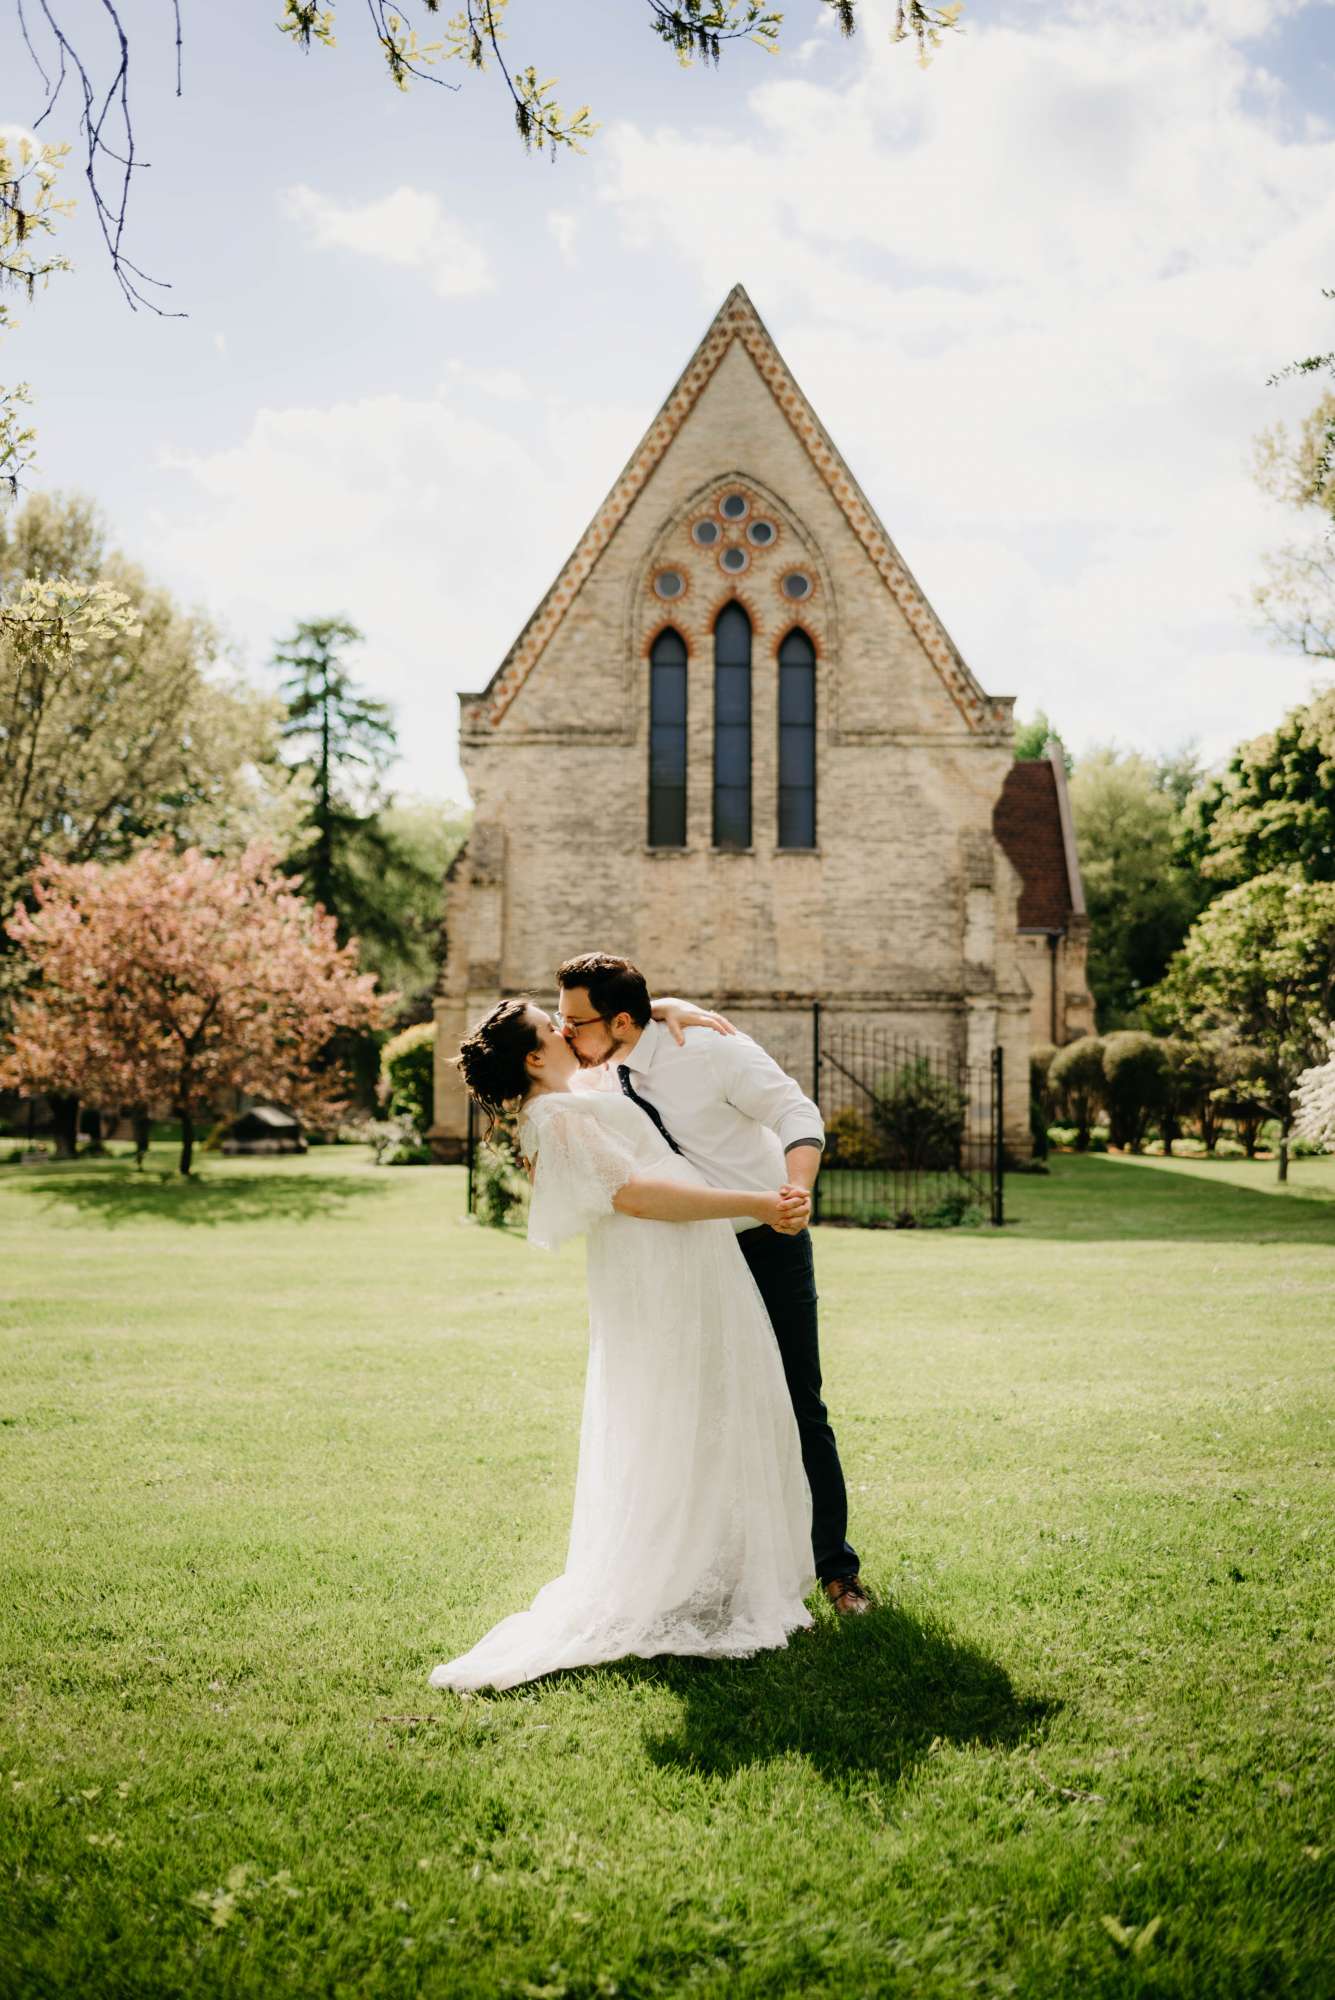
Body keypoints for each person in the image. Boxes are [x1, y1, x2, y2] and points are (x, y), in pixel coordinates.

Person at [428, 997, 815, 1694]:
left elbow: (619, 1034)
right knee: (674, 1413)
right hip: (657, 1263)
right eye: (553, 1029)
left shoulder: (576, 1093)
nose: (566, 1030)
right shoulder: (555, 1115)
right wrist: (754, 1200)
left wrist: (663, 1005)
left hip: (680, 1258)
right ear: (534, 1059)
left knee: (704, 1412)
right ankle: (673, 1577)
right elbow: (636, 1195)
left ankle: (711, 1569)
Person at [555, 953, 868, 1615]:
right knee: (700, 1413)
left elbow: (795, 1111)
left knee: (796, 1403)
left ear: (617, 1019)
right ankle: (724, 1566)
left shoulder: (709, 1051)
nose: (565, 1037)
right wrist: (664, 1002)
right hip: (682, 1261)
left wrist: (795, 1193)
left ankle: (835, 1570)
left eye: (575, 1024)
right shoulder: (593, 1075)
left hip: (765, 1242)